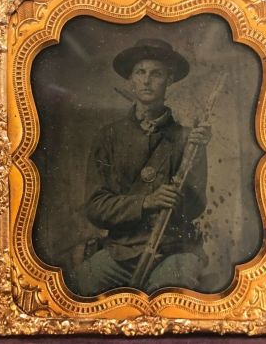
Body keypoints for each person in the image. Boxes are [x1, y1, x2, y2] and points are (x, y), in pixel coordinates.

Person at [75, 39, 211, 296]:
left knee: (168, 296)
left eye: (156, 73)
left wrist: (197, 151)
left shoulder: (188, 138)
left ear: (169, 80)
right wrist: (146, 202)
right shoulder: (108, 136)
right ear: (131, 80)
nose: (147, 80)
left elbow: (195, 206)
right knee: (81, 287)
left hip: (173, 251)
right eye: (141, 72)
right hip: (121, 252)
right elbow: (95, 206)